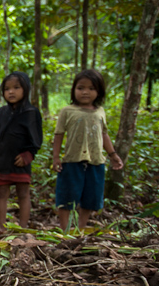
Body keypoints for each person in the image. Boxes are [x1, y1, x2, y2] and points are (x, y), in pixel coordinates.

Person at [52, 69, 124, 231]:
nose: (85, 92)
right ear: (74, 90)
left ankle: (81, 229)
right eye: (81, 88)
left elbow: (103, 133)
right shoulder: (67, 111)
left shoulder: (99, 111)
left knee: (91, 198)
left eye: (91, 88)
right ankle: (65, 231)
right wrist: (56, 157)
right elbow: (59, 134)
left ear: (99, 91)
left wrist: (113, 154)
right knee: (67, 197)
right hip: (72, 161)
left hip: (96, 161)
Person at [0, 72, 43, 228]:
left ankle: (23, 226)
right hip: (3, 161)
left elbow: (36, 139)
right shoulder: (1, 113)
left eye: (16, 87)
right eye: (7, 88)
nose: (11, 92)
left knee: (23, 194)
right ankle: (1, 226)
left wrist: (28, 154)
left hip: (20, 163)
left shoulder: (31, 113)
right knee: (2, 193)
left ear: (25, 89)